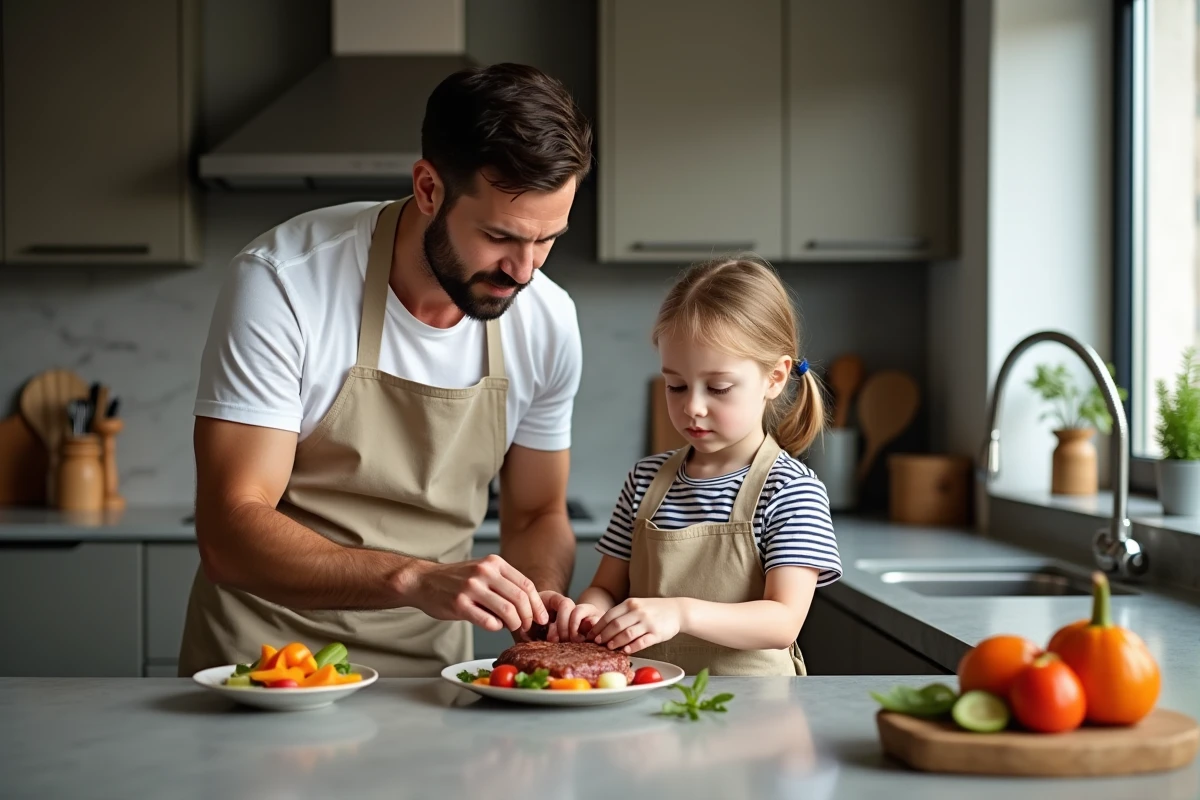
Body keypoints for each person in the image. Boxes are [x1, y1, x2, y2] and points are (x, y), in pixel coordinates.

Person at [177, 63, 593, 676]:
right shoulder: (284, 282)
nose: (523, 271)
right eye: (500, 236)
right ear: (428, 189)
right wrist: (413, 577)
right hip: (267, 669)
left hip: (432, 677)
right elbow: (230, 530)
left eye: (547, 239)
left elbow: (536, 514)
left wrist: (533, 604)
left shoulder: (548, 319)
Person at [562, 257, 842, 675]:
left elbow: (783, 621)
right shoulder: (644, 481)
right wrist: (588, 610)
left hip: (755, 718)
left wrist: (681, 613)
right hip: (649, 708)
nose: (692, 406)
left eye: (718, 387)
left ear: (775, 378)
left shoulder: (789, 489)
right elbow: (606, 586)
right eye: (675, 385)